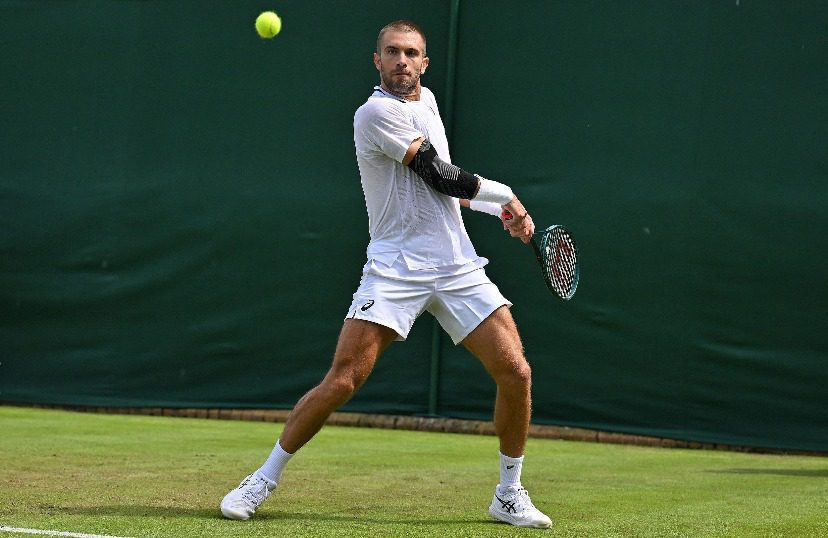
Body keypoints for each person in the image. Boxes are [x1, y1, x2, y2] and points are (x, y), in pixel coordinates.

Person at [220, 20, 552, 529]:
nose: (402, 60)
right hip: (395, 269)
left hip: (457, 265)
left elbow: (445, 187)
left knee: (517, 373)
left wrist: (497, 213)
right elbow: (435, 173)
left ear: (425, 62)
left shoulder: (429, 103)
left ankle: (509, 493)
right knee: (345, 378)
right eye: (392, 52)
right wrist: (506, 195)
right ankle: (262, 479)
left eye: (411, 53)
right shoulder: (374, 112)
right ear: (377, 61)